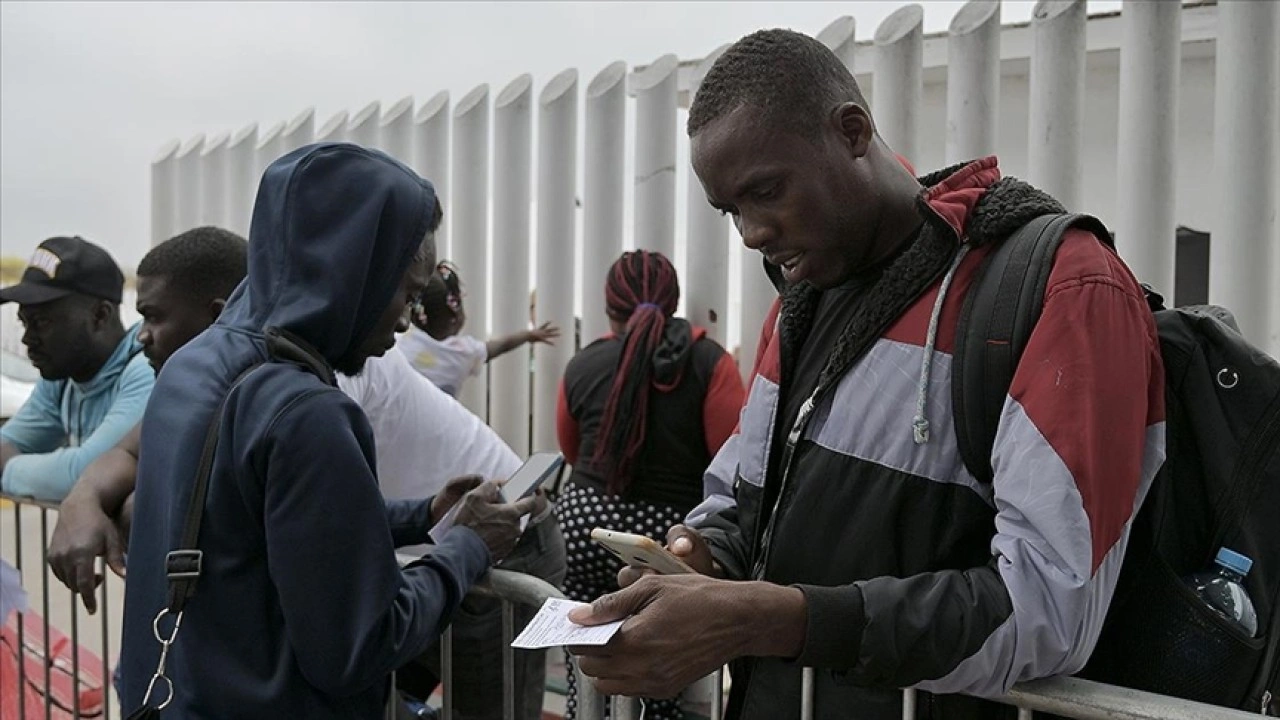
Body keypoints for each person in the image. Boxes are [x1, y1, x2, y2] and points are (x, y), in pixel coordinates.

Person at [568, 30, 1165, 720]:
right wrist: (698, 559)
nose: (752, 234)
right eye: (731, 211)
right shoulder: (801, 299)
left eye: (765, 191)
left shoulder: (1067, 288)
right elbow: (740, 500)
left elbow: (1046, 612)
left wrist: (769, 620)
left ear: (852, 131)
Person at [50, 224, 564, 719]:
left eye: (154, 316)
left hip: (501, 531)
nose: (143, 337)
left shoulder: (322, 375)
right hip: (419, 548)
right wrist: (84, 498)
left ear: (217, 314)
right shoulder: (219, 375)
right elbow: (133, 455)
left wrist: (457, 535)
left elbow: (342, 614)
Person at [555, 250, 745, 720]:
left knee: (585, 655)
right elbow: (731, 456)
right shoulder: (710, 362)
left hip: (583, 521)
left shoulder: (583, 362)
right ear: (675, 300)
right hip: (663, 538)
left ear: (608, 307)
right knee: (656, 666)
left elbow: (572, 449)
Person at [0, 236, 153, 501]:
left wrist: (9, 469)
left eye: (42, 322)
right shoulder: (62, 377)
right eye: (25, 323)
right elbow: (7, 442)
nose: (28, 339)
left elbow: (88, 475)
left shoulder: (146, 370)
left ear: (100, 315)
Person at [398, 261, 560, 397]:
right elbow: (500, 346)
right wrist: (528, 335)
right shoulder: (461, 353)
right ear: (454, 315)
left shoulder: (400, 343)